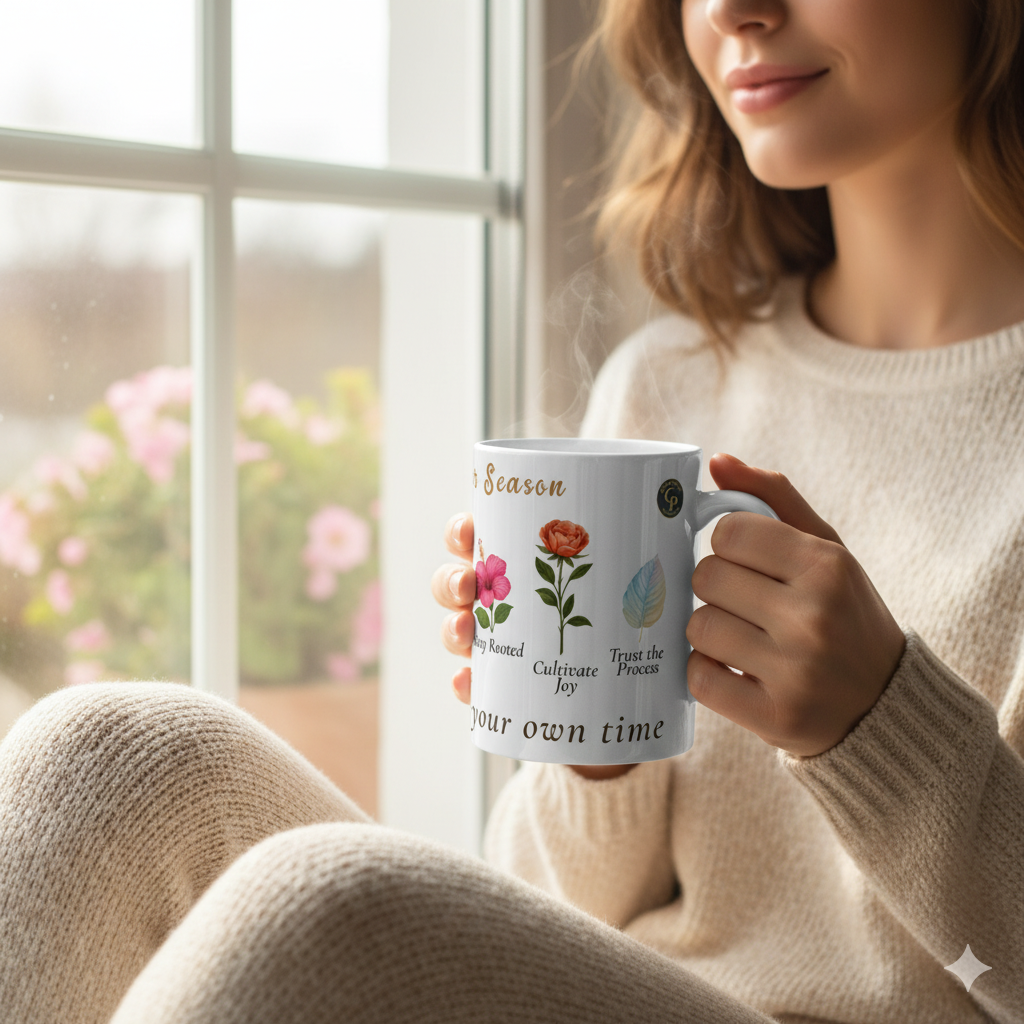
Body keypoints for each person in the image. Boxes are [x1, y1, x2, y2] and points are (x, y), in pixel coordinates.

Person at [1, 1, 1021, 1022]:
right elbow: (553, 910)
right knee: (104, 757)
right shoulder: (669, 384)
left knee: (319, 915)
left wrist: (882, 725)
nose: (728, 12)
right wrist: (591, 737)